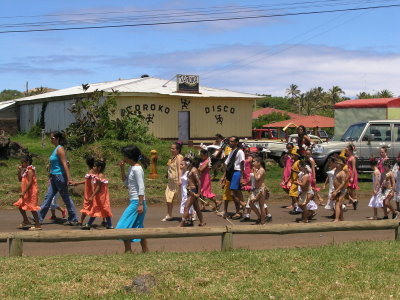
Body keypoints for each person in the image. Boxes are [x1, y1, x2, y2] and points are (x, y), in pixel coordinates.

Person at [38, 131, 78, 225]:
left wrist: (69, 178)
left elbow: (65, 164)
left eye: (52, 138)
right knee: (48, 197)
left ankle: (73, 218)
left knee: (66, 198)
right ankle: (38, 217)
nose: (50, 140)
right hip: (54, 176)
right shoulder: (56, 149)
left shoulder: (60, 149)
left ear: (57, 139)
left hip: (60, 176)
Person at [117, 145, 149, 253]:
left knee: (123, 225)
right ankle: (144, 250)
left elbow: (141, 187)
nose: (123, 158)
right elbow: (125, 182)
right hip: (135, 201)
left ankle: (128, 250)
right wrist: (121, 168)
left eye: (124, 156)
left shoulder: (137, 169)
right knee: (138, 227)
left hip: (137, 202)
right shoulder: (131, 168)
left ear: (129, 156)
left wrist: (140, 204)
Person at [81, 160, 113, 230]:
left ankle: (88, 224)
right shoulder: (97, 175)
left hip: (102, 197)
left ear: (99, 167)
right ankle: (109, 225)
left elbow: (98, 188)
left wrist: (92, 196)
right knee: (98, 209)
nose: (93, 167)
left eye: (95, 166)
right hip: (99, 196)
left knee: (103, 209)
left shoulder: (100, 175)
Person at [13, 155, 41, 230]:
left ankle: (38, 225)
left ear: (27, 162)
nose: (21, 164)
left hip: (31, 192)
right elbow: (19, 179)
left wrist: (23, 192)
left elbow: (30, 182)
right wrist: (19, 171)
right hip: (26, 192)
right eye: (21, 162)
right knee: (20, 205)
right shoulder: (25, 170)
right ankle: (26, 220)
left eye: (23, 162)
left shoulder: (30, 170)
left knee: (32, 208)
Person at [221, 136, 245, 220]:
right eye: (229, 141)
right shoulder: (231, 152)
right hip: (231, 173)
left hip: (237, 172)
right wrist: (224, 176)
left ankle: (242, 207)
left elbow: (242, 164)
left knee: (233, 194)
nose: (230, 143)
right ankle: (239, 210)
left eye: (232, 141)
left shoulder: (240, 152)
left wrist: (242, 176)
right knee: (235, 193)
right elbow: (227, 165)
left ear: (236, 142)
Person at [180, 157, 206, 227]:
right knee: (197, 208)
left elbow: (199, 182)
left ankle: (181, 224)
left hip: (193, 191)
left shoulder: (194, 170)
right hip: (190, 191)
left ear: (188, 163)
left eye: (184, 163)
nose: (183, 165)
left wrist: (198, 193)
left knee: (186, 207)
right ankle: (202, 222)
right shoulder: (189, 170)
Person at [72, 156, 96, 226]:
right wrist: (77, 183)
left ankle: (81, 221)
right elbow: (87, 180)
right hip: (90, 191)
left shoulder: (91, 171)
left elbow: (91, 182)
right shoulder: (93, 171)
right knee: (94, 205)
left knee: (87, 206)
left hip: (90, 192)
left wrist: (92, 193)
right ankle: (105, 220)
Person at [162, 142, 183, 221]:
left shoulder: (179, 157)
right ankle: (169, 215)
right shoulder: (172, 158)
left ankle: (190, 214)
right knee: (168, 198)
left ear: (178, 150)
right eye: (171, 148)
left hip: (177, 181)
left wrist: (180, 179)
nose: (171, 150)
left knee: (182, 199)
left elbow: (179, 169)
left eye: (173, 149)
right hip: (171, 182)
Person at [247, 157, 271, 224]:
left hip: (261, 190)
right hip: (256, 189)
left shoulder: (261, 170)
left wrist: (254, 171)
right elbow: (254, 179)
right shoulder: (257, 169)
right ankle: (260, 217)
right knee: (250, 203)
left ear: (259, 162)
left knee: (261, 206)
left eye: (254, 162)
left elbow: (257, 178)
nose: (253, 163)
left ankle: (262, 220)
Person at [331, 157, 348, 222]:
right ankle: (341, 217)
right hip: (337, 189)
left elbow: (343, 183)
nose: (336, 164)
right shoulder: (335, 170)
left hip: (342, 190)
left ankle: (337, 219)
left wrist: (336, 191)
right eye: (336, 163)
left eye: (338, 164)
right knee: (339, 204)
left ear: (341, 165)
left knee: (337, 204)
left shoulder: (342, 173)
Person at [240, 146, 254, 222]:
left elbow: (252, 167)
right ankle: (243, 204)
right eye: (246, 151)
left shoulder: (250, 158)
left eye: (248, 151)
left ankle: (248, 210)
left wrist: (250, 177)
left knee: (251, 193)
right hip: (243, 176)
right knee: (238, 191)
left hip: (249, 176)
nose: (247, 153)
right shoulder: (241, 158)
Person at [179, 158, 195, 222]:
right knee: (184, 203)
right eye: (180, 164)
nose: (180, 166)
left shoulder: (188, 173)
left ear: (186, 165)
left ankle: (187, 218)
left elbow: (190, 182)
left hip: (187, 191)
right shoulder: (182, 172)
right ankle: (188, 218)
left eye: (182, 164)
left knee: (186, 204)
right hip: (183, 190)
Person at [345, 144, 359, 210]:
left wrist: (352, 177)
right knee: (348, 188)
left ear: (350, 151)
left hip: (352, 173)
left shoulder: (352, 158)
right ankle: (352, 200)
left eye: (347, 151)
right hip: (348, 173)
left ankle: (355, 200)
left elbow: (353, 168)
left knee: (352, 188)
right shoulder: (348, 158)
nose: (346, 152)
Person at [288, 149, 300, 214]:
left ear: (296, 156)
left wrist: (294, 171)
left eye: (292, 155)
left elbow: (301, 172)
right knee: (295, 195)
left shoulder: (298, 162)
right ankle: (297, 207)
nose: (291, 156)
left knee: (292, 193)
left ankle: (296, 207)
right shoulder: (294, 163)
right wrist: (288, 179)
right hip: (293, 181)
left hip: (297, 181)